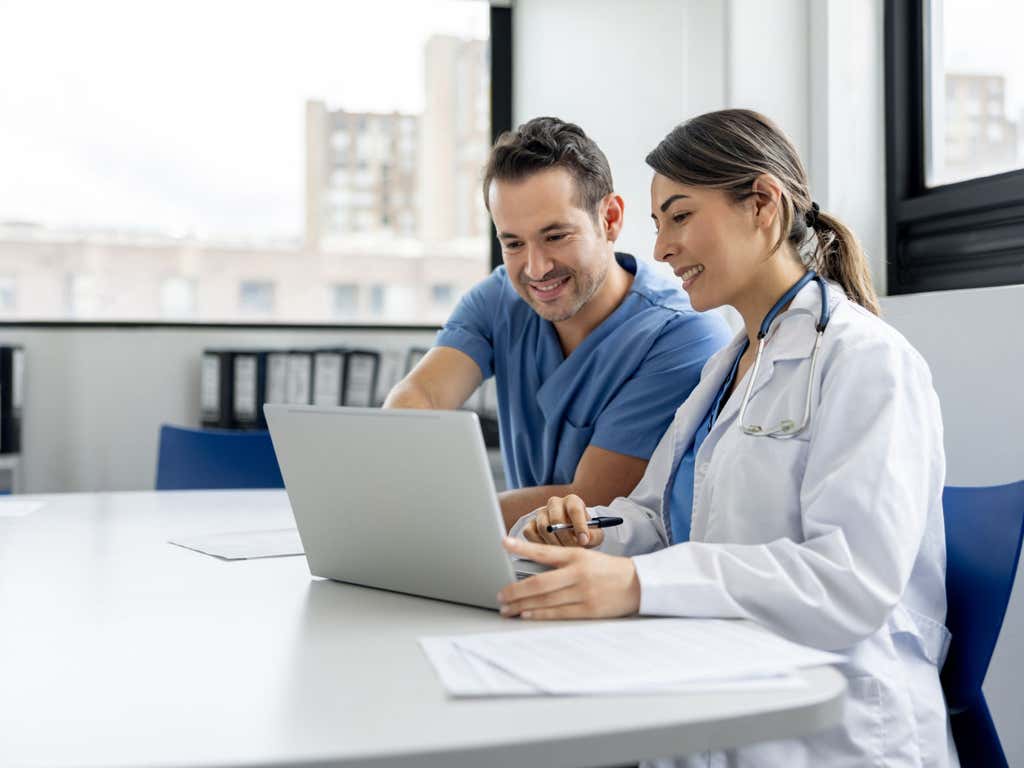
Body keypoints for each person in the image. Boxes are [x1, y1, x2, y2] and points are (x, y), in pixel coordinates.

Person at [498, 109, 958, 767]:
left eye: (680, 217)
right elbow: (658, 518)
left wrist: (635, 585)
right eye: (657, 225)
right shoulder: (728, 364)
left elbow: (848, 581)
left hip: (835, 733)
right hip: (716, 699)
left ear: (763, 204)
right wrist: (593, 534)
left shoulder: (867, 361)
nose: (660, 249)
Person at [385, 117, 730, 531]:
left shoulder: (682, 335)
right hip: (519, 561)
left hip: (621, 577)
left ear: (611, 219)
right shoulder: (500, 299)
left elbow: (590, 497)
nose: (535, 268)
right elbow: (421, 394)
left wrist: (433, 511)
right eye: (512, 243)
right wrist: (394, 471)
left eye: (555, 236)